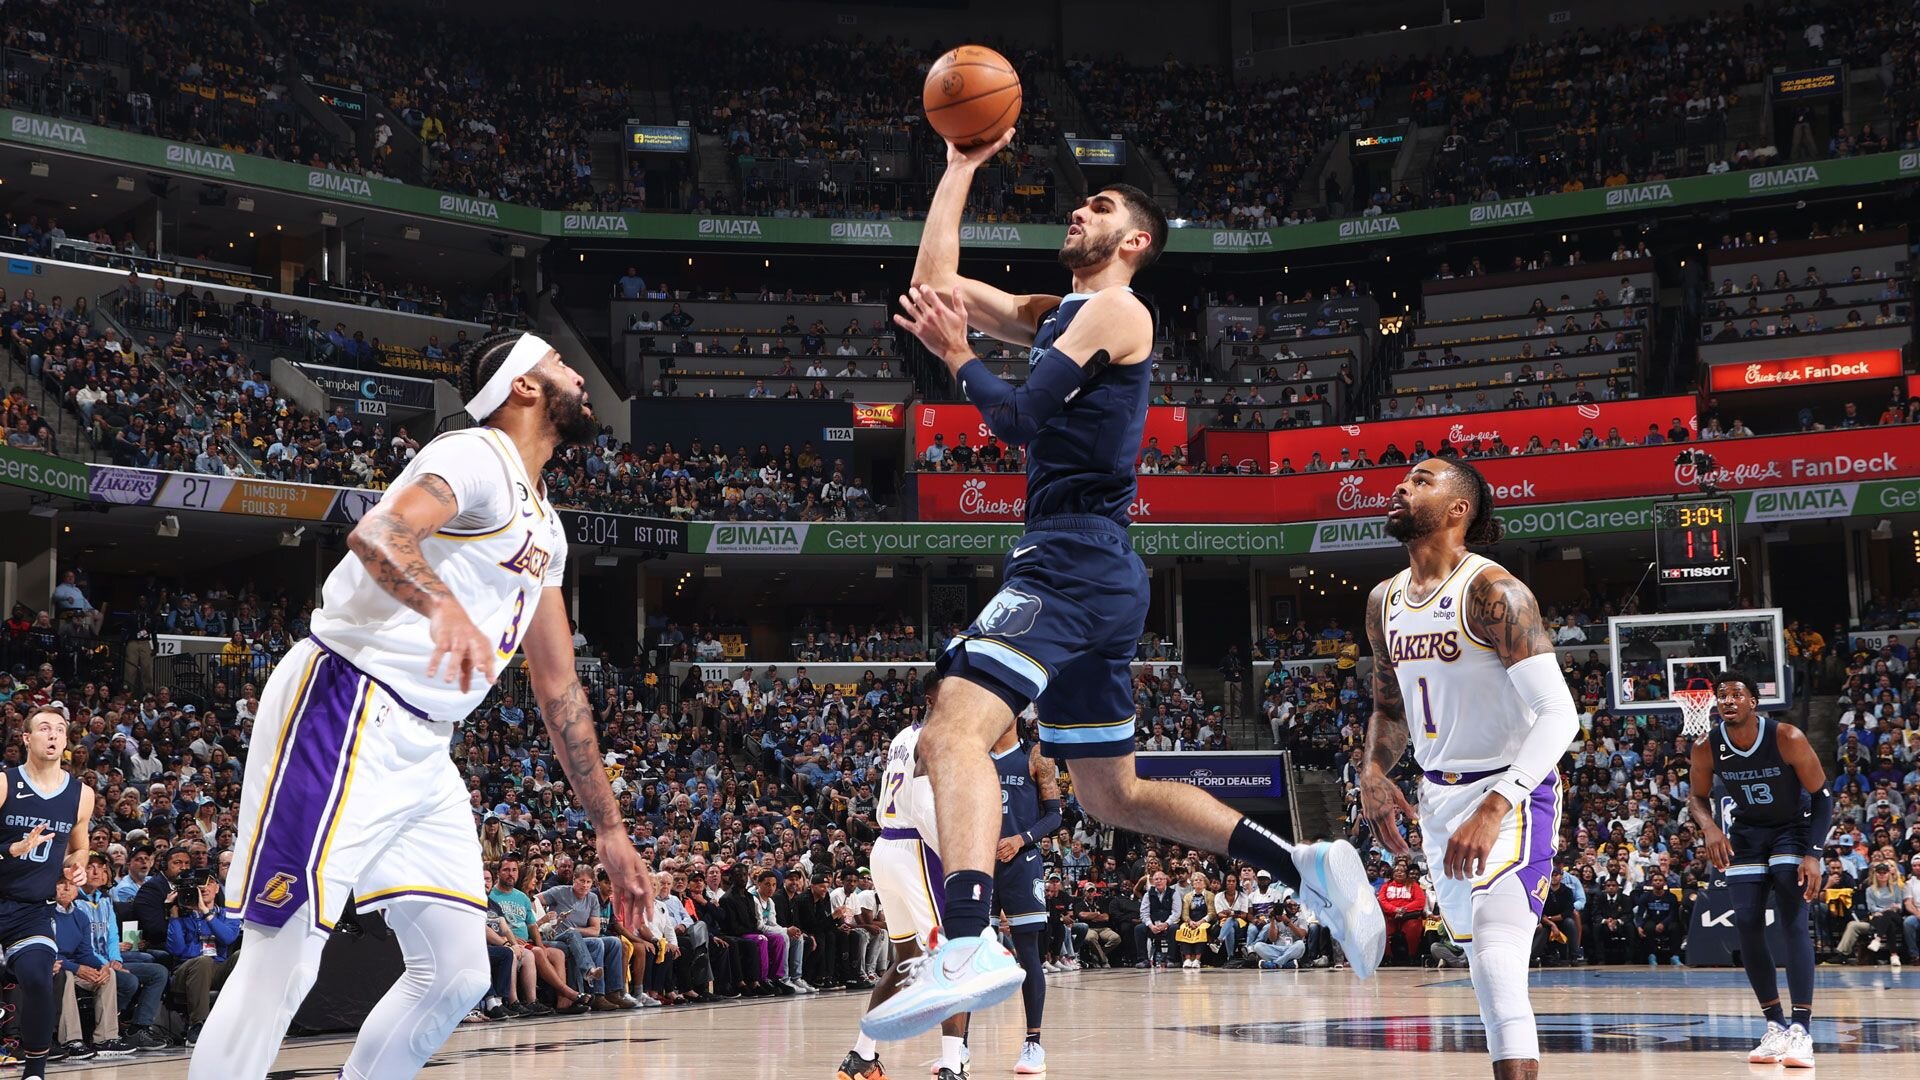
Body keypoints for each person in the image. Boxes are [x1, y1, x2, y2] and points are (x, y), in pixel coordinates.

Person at [867, 127, 1382, 1043]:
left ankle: (972, 940)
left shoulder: (1121, 312)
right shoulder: (1059, 310)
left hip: (1069, 557)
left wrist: (956, 359)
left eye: (1101, 206)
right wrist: (960, 168)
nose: (1080, 209)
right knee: (1112, 792)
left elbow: (1020, 418)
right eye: (1083, 202)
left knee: (951, 728)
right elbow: (936, 288)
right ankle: (1303, 861)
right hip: (1095, 567)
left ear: (1135, 241)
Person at [190, 332, 651, 1080]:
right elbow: (380, 530)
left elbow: (558, 686)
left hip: (427, 746)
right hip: (348, 704)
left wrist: (610, 828)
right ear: (524, 387)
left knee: (458, 972)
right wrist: (442, 607)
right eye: (563, 365)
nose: (581, 376)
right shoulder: (476, 454)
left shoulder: (547, 525)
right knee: (284, 958)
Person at [1359, 457, 1581, 1080]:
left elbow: (1560, 716)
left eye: (1422, 480)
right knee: (1479, 957)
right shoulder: (1384, 601)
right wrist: (1373, 773)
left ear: (1460, 510)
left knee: (1497, 955)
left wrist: (1497, 803)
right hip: (1438, 797)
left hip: (1512, 790)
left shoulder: (1493, 593)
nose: (1401, 486)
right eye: (1404, 478)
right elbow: (1388, 707)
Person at [1689, 671, 1828, 1068]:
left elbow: (1823, 796)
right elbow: (1697, 798)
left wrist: (1813, 853)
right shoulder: (1706, 747)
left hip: (1792, 829)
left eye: (1736, 694)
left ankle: (1801, 1029)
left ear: (1753, 702)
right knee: (1747, 921)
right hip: (1747, 834)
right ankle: (1775, 1025)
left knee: (1791, 918)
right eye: (1721, 696)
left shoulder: (1787, 737)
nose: (1728, 701)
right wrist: (1710, 827)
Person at [845, 676, 971, 1080]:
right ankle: (952, 1064)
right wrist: (954, 855)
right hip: (917, 846)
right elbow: (920, 803)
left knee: (905, 963)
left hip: (886, 848)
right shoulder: (936, 736)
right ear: (934, 699)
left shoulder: (904, 734)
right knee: (955, 957)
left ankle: (861, 1056)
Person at [0, 705, 95, 1079]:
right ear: (26, 738)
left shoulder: (80, 794)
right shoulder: (5, 783)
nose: (54, 734)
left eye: (60, 728)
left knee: (41, 979)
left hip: (32, 909)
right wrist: (11, 850)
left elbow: (79, 846)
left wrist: (77, 865)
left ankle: (35, 1072)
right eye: (44, 728)